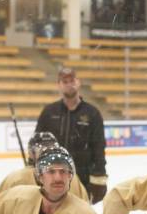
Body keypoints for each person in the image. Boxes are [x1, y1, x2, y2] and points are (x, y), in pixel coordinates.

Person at [35, 67, 107, 204]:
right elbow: (37, 144)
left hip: (82, 179)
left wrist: (99, 178)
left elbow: (99, 147)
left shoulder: (92, 113)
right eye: (65, 81)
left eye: (72, 80)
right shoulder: (48, 112)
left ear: (78, 82)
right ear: (59, 85)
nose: (69, 84)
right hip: (53, 176)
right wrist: (35, 170)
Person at [0, 132, 89, 202]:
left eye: (50, 147)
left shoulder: (15, 178)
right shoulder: (71, 177)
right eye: (42, 149)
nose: (46, 152)